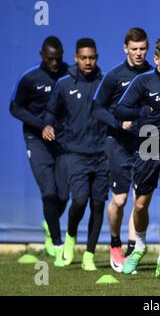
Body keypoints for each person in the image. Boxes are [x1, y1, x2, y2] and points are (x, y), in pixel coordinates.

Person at [112, 37, 160, 278]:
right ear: (156, 60)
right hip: (146, 150)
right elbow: (120, 110)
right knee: (140, 205)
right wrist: (140, 112)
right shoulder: (142, 82)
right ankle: (140, 247)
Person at [42, 38, 108, 271]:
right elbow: (51, 111)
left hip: (102, 154)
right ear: (76, 58)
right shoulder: (63, 84)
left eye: (92, 57)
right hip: (76, 154)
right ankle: (70, 239)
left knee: (98, 205)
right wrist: (48, 125)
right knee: (79, 200)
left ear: (96, 58)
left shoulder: (105, 83)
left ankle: (89, 255)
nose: (88, 62)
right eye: (83, 58)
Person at [92, 28, 153, 273]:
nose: (138, 53)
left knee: (140, 201)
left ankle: (131, 249)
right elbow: (97, 108)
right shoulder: (115, 76)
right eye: (134, 49)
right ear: (125, 48)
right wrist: (119, 123)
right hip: (117, 143)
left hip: (145, 145)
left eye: (142, 49)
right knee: (120, 199)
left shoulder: (153, 74)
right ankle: (115, 243)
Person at [9, 36, 69, 267]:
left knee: (64, 195)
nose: (55, 63)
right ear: (42, 55)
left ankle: (49, 221)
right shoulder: (30, 78)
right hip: (36, 140)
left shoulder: (69, 74)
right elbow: (15, 107)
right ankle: (55, 242)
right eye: (50, 59)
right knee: (49, 193)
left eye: (58, 59)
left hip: (62, 141)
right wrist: (40, 125)